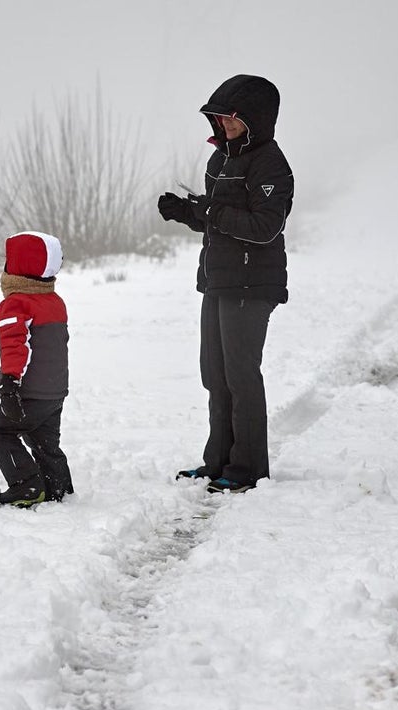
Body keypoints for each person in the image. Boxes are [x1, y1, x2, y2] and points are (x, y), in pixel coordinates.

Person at [157, 74, 294, 493]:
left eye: (232, 120)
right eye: (219, 120)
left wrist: (211, 211)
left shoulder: (271, 163)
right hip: (218, 279)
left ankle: (248, 467)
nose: (224, 126)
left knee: (240, 375)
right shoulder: (221, 161)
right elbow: (217, 219)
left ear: (255, 120)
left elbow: (265, 227)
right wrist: (186, 212)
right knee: (214, 374)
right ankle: (218, 460)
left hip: (252, 285)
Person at [0, 231, 73, 508]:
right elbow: (43, 348)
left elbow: (15, 346)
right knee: (43, 440)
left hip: (31, 392)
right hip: (54, 391)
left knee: (0, 431)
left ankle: (26, 485)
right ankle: (57, 486)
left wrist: (10, 383)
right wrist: (3, 375)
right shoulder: (54, 301)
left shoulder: (16, 302)